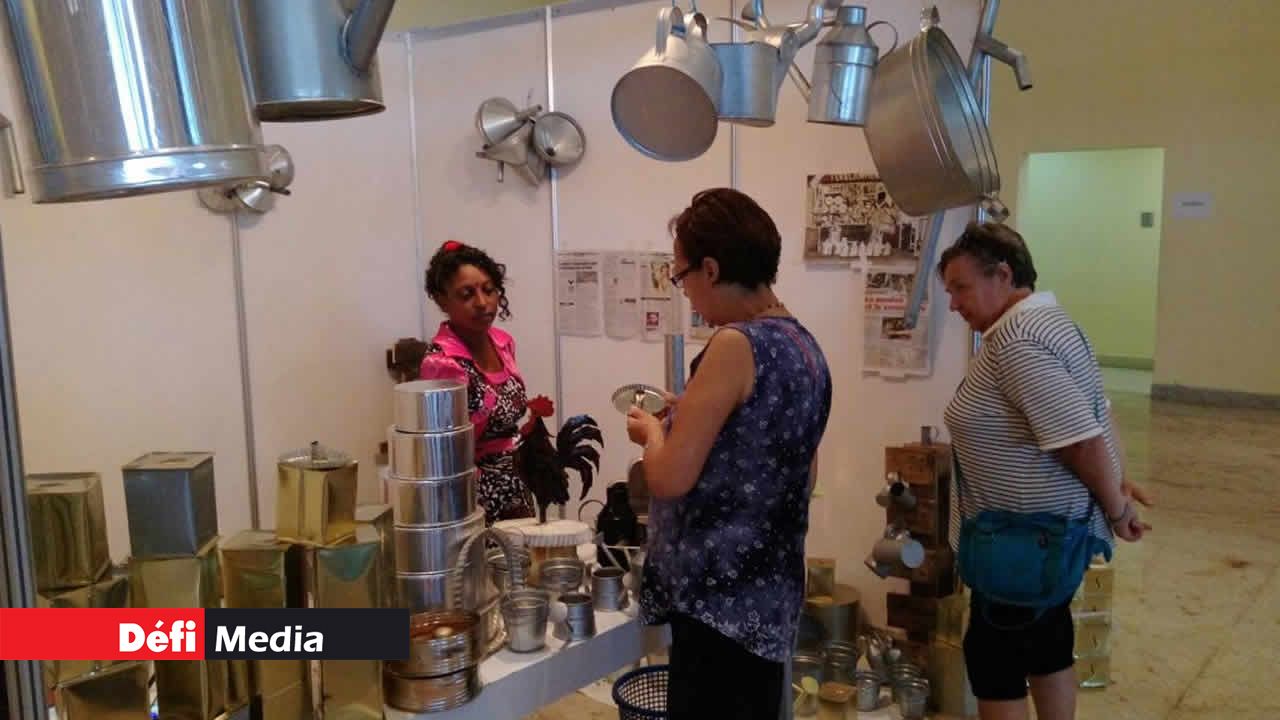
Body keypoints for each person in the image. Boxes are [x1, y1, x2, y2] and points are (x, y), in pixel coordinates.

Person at [625, 188, 833, 720]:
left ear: (711, 269)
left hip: (718, 601)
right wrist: (691, 416)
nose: (688, 295)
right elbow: (800, 470)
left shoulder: (735, 344)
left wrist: (653, 433)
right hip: (770, 595)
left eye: (682, 277)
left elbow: (669, 478)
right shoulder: (805, 347)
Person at [938, 222, 1151, 720]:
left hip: (1020, 543)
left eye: (961, 288)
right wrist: (1119, 479)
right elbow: (1098, 409)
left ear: (1003, 275)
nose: (954, 304)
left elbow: (1080, 439)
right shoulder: (1052, 323)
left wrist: (1118, 510)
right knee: (1046, 641)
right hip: (1038, 542)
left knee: (995, 659)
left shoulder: (1018, 341)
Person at [420, 241, 534, 524]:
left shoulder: (503, 343)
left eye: (489, 290)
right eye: (467, 294)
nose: (482, 302)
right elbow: (445, 452)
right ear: (442, 300)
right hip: (472, 497)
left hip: (517, 485)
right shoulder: (442, 364)